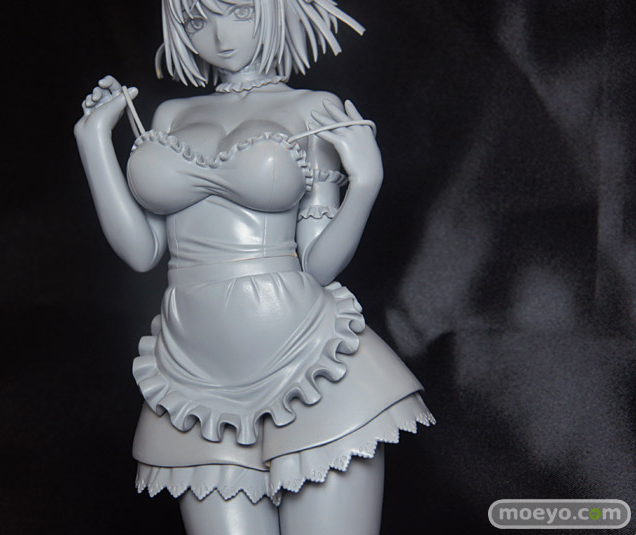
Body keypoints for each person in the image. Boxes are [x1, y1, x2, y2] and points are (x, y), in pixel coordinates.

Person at [74, 1, 434, 533]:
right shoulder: (170, 115)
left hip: (307, 362)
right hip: (194, 375)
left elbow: (318, 265)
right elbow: (142, 251)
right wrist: (93, 143)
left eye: (240, 12)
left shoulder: (313, 108)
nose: (220, 37)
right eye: (198, 22)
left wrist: (365, 185)